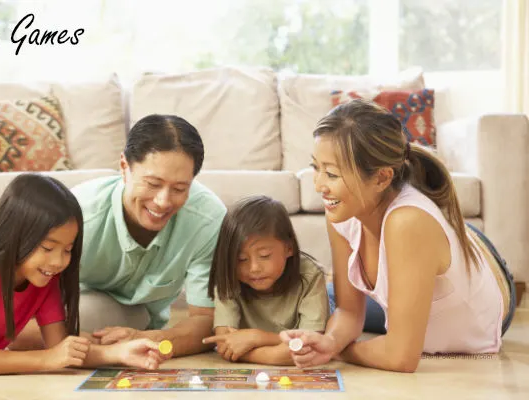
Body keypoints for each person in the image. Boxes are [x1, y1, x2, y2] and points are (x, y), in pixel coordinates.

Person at [280, 99, 516, 373]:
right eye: (316, 168)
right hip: (420, 249)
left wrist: (338, 351)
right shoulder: (342, 212)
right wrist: (330, 341)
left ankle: (447, 235)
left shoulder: (408, 223)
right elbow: (349, 313)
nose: (319, 185)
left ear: (382, 178)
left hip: (486, 277)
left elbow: (400, 357)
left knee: (329, 305)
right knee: (324, 298)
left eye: (331, 174)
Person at [0, 174, 168, 373]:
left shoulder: (44, 279)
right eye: (47, 248)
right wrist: (47, 358)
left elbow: (61, 347)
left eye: (67, 250)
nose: (58, 262)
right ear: (15, 234)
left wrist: (117, 353)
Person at [71, 114, 226, 357]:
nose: (163, 202)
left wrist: (147, 339)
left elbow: (206, 322)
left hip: (145, 321)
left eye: (179, 189)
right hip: (76, 309)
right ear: (124, 167)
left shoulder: (208, 219)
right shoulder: (78, 214)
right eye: (153, 184)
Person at [202, 195, 329, 365]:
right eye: (241, 259)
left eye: (264, 256)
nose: (254, 268)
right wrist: (283, 348)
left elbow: (309, 347)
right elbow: (225, 343)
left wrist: (255, 338)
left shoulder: (311, 275)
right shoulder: (229, 277)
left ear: (289, 248)